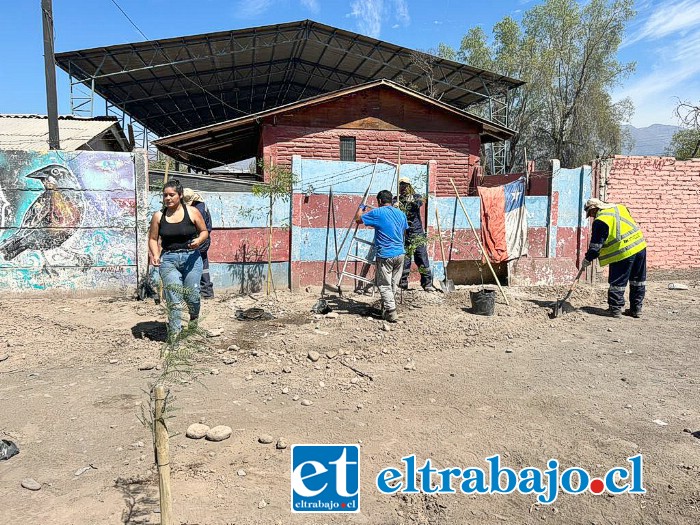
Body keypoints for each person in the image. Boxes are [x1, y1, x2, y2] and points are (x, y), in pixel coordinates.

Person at [148, 180, 209, 340]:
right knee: (174, 298)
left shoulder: (193, 212)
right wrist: (155, 254)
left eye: (171, 195)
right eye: (165, 195)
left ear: (180, 195)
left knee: (192, 295)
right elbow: (153, 239)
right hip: (168, 259)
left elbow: (204, 231)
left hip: (191, 258)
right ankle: (174, 334)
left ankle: (193, 319)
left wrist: (199, 241)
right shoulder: (158, 216)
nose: (167, 198)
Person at [581, 198, 647, 318]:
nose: (591, 217)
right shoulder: (620, 208)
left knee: (618, 282)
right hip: (640, 246)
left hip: (622, 252)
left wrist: (587, 259)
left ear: (594, 209)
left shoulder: (601, 220)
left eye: (590, 214)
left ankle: (615, 310)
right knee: (638, 280)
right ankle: (636, 309)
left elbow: (596, 246)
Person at [355, 190, 409, 323]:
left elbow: (358, 219)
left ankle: (391, 312)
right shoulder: (401, 214)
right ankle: (387, 308)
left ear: (379, 201)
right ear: (391, 200)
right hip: (400, 254)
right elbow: (405, 231)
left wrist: (361, 207)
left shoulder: (377, 213)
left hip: (385, 254)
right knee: (393, 284)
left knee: (384, 285)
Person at [394, 177, 436, 292]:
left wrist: (410, 200)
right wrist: (395, 206)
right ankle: (403, 284)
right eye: (401, 185)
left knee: (422, 258)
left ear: (409, 186)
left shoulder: (416, 197)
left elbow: (418, 203)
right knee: (405, 260)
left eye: (405, 185)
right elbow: (392, 210)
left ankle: (427, 284)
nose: (403, 187)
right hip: (404, 234)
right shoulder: (396, 199)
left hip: (417, 233)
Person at [183, 188, 214, 299]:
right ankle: (206, 292)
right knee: (203, 264)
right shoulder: (202, 206)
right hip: (204, 239)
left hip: (197, 239)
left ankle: (198, 292)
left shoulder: (196, 209)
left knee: (194, 264)